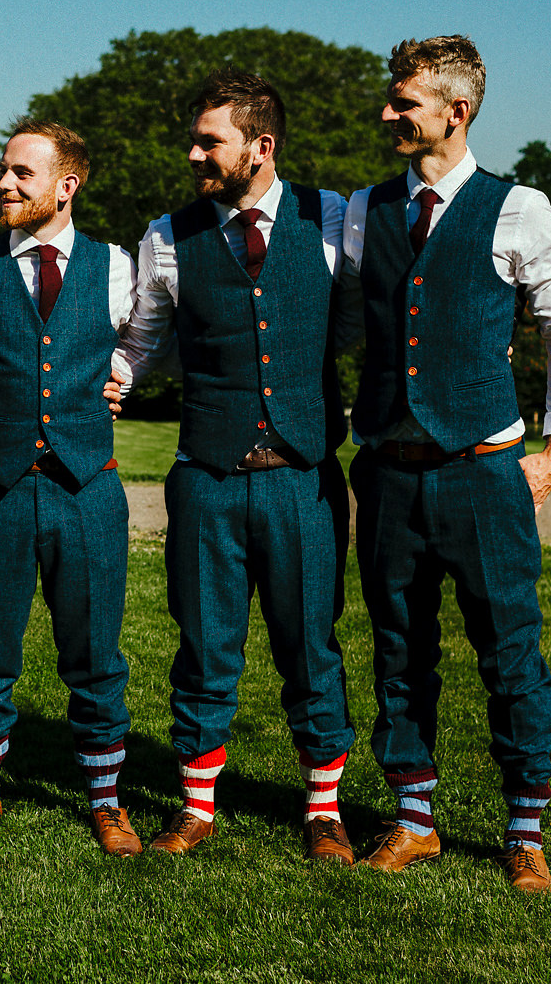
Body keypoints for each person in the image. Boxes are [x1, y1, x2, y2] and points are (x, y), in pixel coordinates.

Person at [340, 36, 551, 892]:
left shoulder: (519, 208)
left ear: (457, 109)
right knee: (398, 649)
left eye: (403, 101)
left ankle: (524, 829)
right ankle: (413, 819)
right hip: (387, 470)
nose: (386, 113)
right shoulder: (359, 211)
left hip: (484, 469)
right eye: (390, 96)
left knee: (509, 652)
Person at [113, 68, 357, 864]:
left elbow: (368, 321)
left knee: (311, 646)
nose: (193, 153)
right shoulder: (166, 234)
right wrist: (87, 387)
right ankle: (195, 805)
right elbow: (141, 347)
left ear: (262, 146)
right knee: (206, 641)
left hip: (304, 478)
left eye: (209, 140)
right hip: (207, 475)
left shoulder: (333, 219)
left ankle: (323, 810)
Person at [0, 119, 141, 856]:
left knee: (95, 653)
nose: (4, 183)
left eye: (22, 173)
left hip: (88, 485)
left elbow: (141, 342)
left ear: (66, 185)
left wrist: (124, 378)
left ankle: (107, 799)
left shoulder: (117, 265)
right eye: (5, 169)